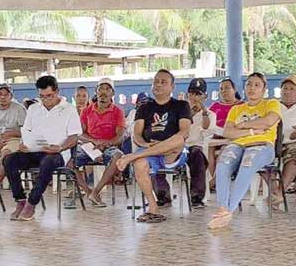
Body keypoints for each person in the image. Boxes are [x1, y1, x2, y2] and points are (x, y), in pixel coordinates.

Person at [115, 70, 192, 224]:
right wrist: (145, 144)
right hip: (150, 150)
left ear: (172, 87)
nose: (158, 84)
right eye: (156, 81)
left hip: (173, 152)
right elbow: (136, 134)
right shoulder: (144, 107)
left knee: (178, 139)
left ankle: (132, 156)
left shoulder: (181, 105)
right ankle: (153, 206)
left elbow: (184, 132)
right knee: (139, 164)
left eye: (163, 82)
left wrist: (162, 145)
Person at [3, 75, 81, 221]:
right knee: (9, 160)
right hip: (34, 151)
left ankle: (32, 203)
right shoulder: (33, 109)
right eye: (42, 96)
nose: (46, 100)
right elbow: (26, 131)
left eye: (49, 96)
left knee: (48, 162)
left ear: (57, 91)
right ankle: (20, 200)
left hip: (58, 153)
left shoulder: (69, 109)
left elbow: (74, 136)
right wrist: (23, 144)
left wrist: (61, 147)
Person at [209, 73, 281, 229]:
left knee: (247, 164)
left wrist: (242, 125)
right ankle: (222, 207)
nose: (252, 88)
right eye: (249, 84)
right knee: (223, 164)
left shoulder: (272, 104)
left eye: (257, 85)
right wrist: (252, 131)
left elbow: (269, 121)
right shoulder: (236, 109)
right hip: (239, 144)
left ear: (264, 89)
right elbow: (228, 132)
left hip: (263, 145)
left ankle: (228, 211)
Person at [70, 78, 125, 208]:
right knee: (68, 159)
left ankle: (96, 191)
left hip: (108, 146)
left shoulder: (118, 111)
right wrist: (94, 141)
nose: (103, 92)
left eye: (107, 89)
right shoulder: (87, 111)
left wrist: (105, 144)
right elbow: (80, 133)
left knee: (118, 156)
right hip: (89, 146)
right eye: (101, 89)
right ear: (96, 92)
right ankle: (88, 191)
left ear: (112, 94)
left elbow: (120, 137)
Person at [165, 77, 213, 209]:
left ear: (205, 96)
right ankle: (163, 195)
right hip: (176, 147)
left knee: (197, 155)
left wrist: (203, 112)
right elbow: (171, 129)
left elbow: (206, 127)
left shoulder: (210, 114)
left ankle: (196, 197)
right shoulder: (178, 110)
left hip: (193, 148)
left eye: (199, 94)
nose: (194, 97)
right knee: (157, 154)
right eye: (192, 93)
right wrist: (189, 114)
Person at [0, 83, 26, 189]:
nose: (3, 97)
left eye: (6, 94)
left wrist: (11, 133)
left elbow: (26, 131)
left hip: (15, 139)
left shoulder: (19, 109)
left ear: (11, 96)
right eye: (0, 94)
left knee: (6, 154)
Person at [208, 77, 242, 191]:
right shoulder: (214, 106)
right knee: (208, 148)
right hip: (216, 136)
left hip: (232, 137)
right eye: (221, 89)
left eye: (227, 88)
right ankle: (216, 180)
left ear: (234, 89)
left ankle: (214, 181)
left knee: (224, 149)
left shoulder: (241, 106)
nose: (224, 91)